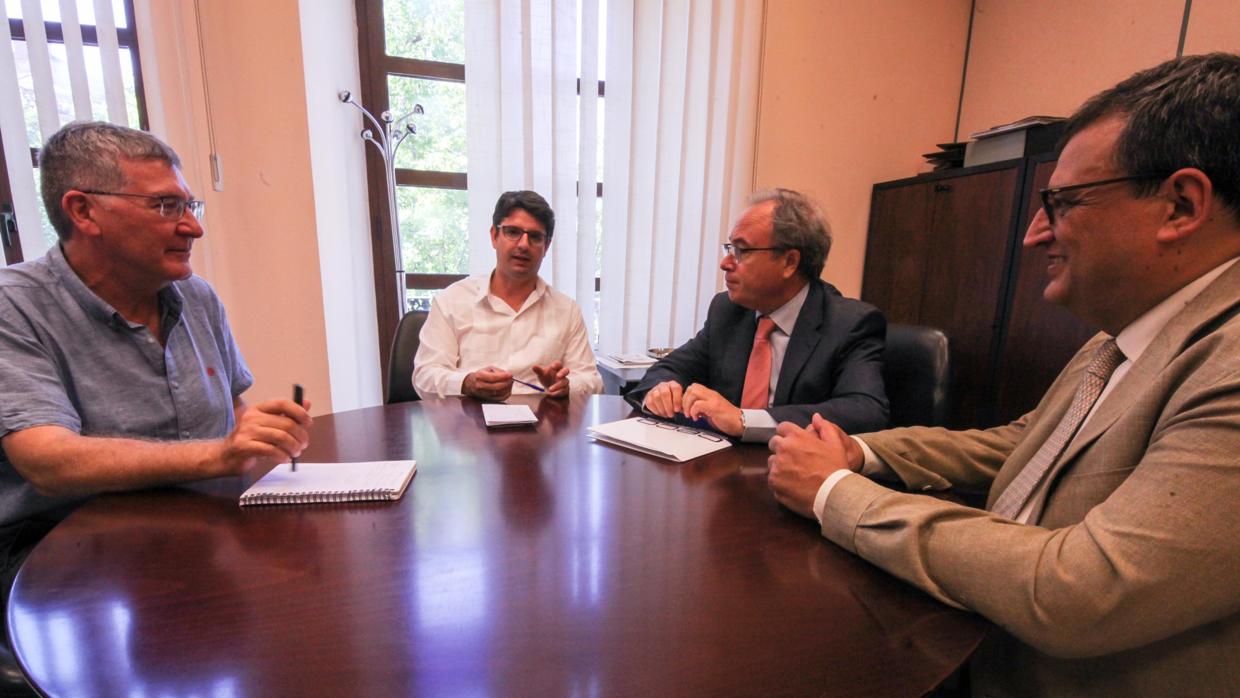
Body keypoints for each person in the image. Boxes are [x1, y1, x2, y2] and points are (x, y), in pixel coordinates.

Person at [768, 53, 1240, 696]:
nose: (1033, 233)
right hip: (971, 637)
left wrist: (835, 494)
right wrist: (860, 452)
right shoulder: (1119, 340)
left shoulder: (1229, 361)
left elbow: (1081, 592)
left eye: (1064, 202)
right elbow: (1022, 442)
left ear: (1181, 205)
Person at [0, 122, 311, 605]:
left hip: (191, 523)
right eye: (166, 206)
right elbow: (47, 461)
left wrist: (261, 429)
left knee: (302, 587)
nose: (193, 226)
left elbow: (234, 411)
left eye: (190, 205)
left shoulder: (196, 297)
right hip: (52, 547)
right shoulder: (15, 307)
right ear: (84, 211)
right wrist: (219, 455)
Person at [627, 189, 888, 442]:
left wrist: (744, 420)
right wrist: (661, 389)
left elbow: (865, 411)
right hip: (723, 468)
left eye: (742, 251)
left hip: (798, 472)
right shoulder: (728, 310)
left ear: (789, 262)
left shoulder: (849, 323)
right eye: (728, 248)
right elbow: (670, 368)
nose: (725, 263)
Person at [413, 190, 603, 400]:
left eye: (535, 237)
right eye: (512, 232)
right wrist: (467, 383)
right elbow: (424, 376)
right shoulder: (452, 300)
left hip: (542, 426)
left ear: (546, 246)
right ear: (494, 236)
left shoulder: (566, 310)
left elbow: (592, 381)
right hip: (470, 425)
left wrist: (566, 386)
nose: (523, 244)